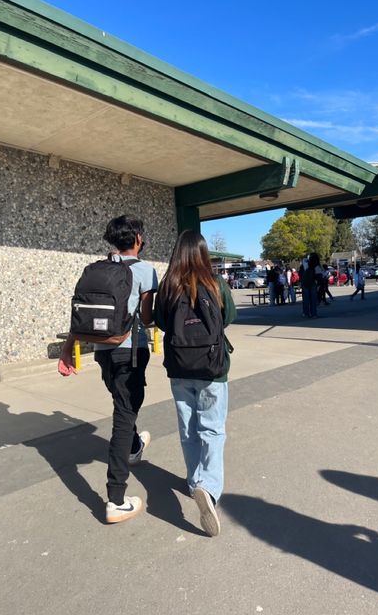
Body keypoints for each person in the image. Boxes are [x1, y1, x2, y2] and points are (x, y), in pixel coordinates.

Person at [58, 215, 158, 524]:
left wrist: (68, 348)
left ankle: (134, 445)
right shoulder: (145, 271)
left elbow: (81, 312)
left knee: (124, 406)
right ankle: (116, 498)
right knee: (124, 416)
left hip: (102, 351)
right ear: (138, 238)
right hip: (131, 351)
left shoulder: (95, 270)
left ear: (111, 240)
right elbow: (148, 317)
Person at [154, 230, 236, 536]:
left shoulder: (168, 286)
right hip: (212, 368)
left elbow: (161, 322)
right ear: (203, 253)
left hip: (178, 367)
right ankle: (209, 487)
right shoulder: (216, 284)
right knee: (212, 429)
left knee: (188, 429)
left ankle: (194, 483)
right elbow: (229, 317)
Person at [302, 253, 322, 317]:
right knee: (313, 300)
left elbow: (301, 273)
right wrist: (318, 285)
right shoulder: (317, 266)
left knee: (306, 299)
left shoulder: (305, 265)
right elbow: (319, 277)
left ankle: (306, 313)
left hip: (305, 283)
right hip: (313, 283)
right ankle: (314, 313)